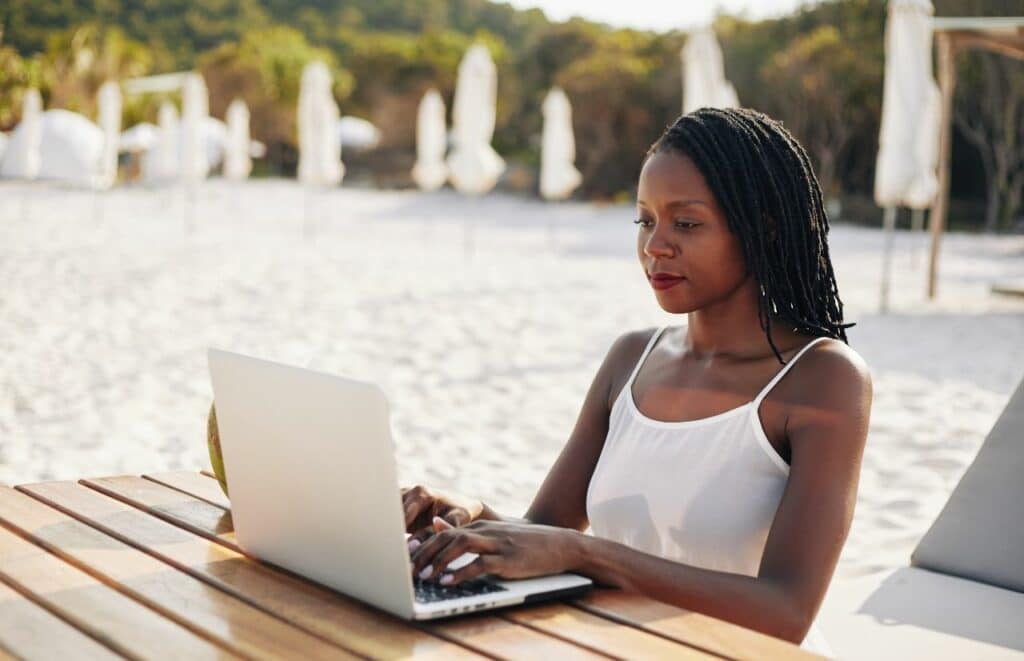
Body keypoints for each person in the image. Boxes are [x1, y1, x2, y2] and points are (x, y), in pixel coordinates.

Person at [403, 107, 872, 654]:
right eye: (645, 220)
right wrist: (466, 512)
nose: (655, 246)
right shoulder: (631, 358)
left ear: (763, 230)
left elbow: (784, 611)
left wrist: (588, 555)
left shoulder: (823, 379)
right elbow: (545, 530)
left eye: (687, 223)